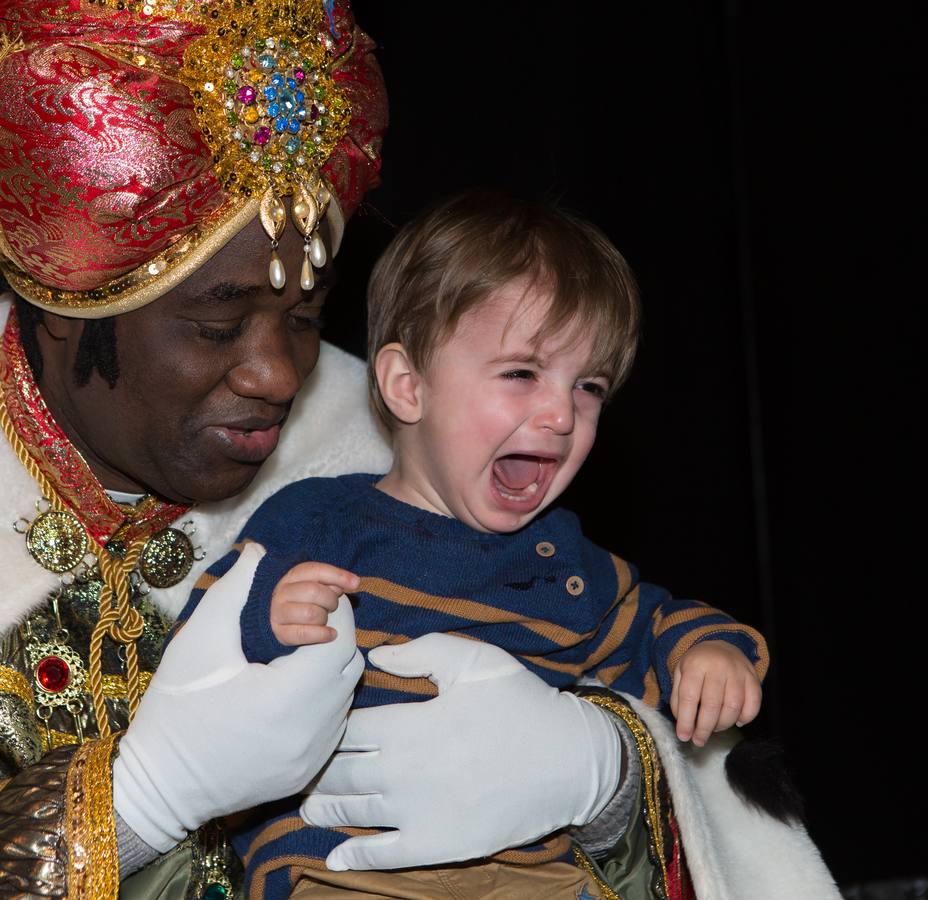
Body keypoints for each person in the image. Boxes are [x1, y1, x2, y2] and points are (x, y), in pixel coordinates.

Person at [0, 3, 660, 897]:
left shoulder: (396, 455)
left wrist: (605, 775)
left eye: (306, 319)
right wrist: (137, 802)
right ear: (63, 319)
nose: (277, 374)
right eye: (216, 324)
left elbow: (704, 789)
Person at [176, 189, 771, 898]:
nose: (560, 414)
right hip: (345, 873)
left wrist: (707, 653)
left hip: (530, 876)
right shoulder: (317, 523)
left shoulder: (565, 564)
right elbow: (197, 667)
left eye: (588, 386)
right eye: (521, 373)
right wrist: (268, 625)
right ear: (406, 386)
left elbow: (651, 624)